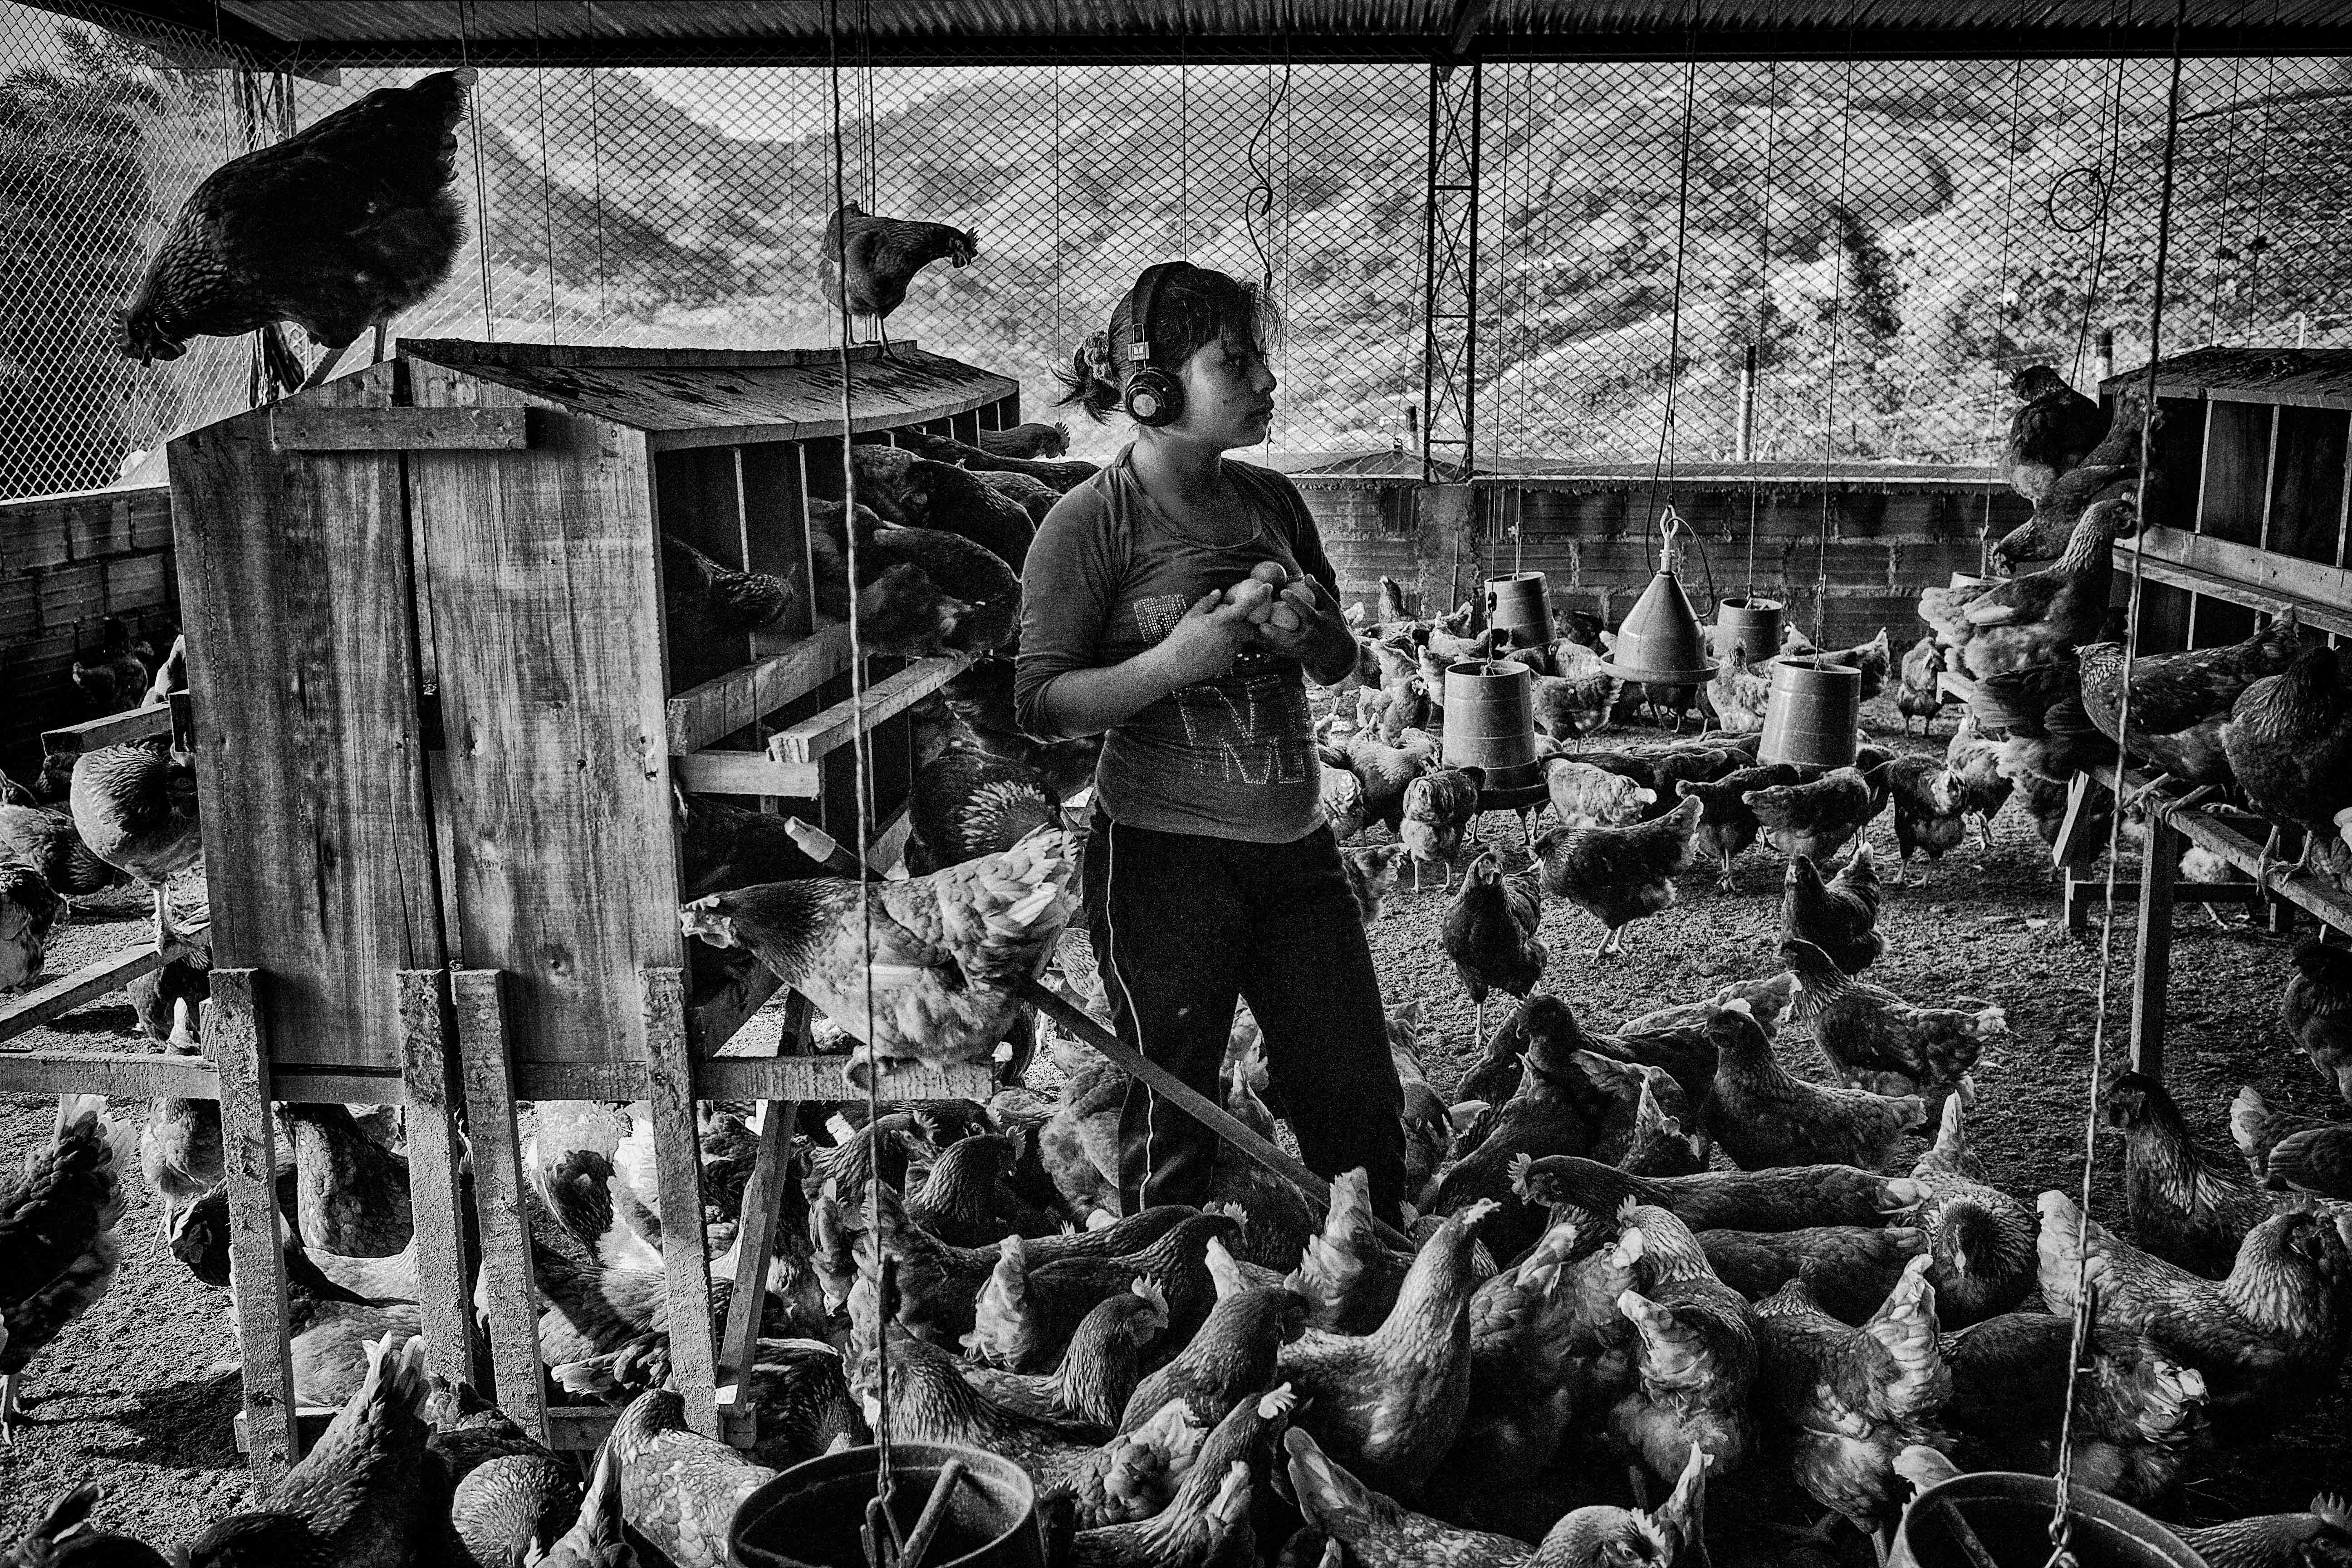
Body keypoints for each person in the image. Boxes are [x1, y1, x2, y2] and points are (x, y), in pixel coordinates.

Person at [1012, 261, 1406, 1225]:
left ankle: (1383, 1281)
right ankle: (1165, 1305)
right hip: (1161, 864)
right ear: (1154, 389)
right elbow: (1039, 703)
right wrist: (1176, 661)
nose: (1266, 382)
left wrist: (1315, 633)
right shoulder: (1089, 525)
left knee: (1356, 1101)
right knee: (1176, 1109)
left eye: (1261, 359)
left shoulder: (1272, 503)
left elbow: (1339, 665)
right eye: (1238, 361)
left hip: (1295, 855)